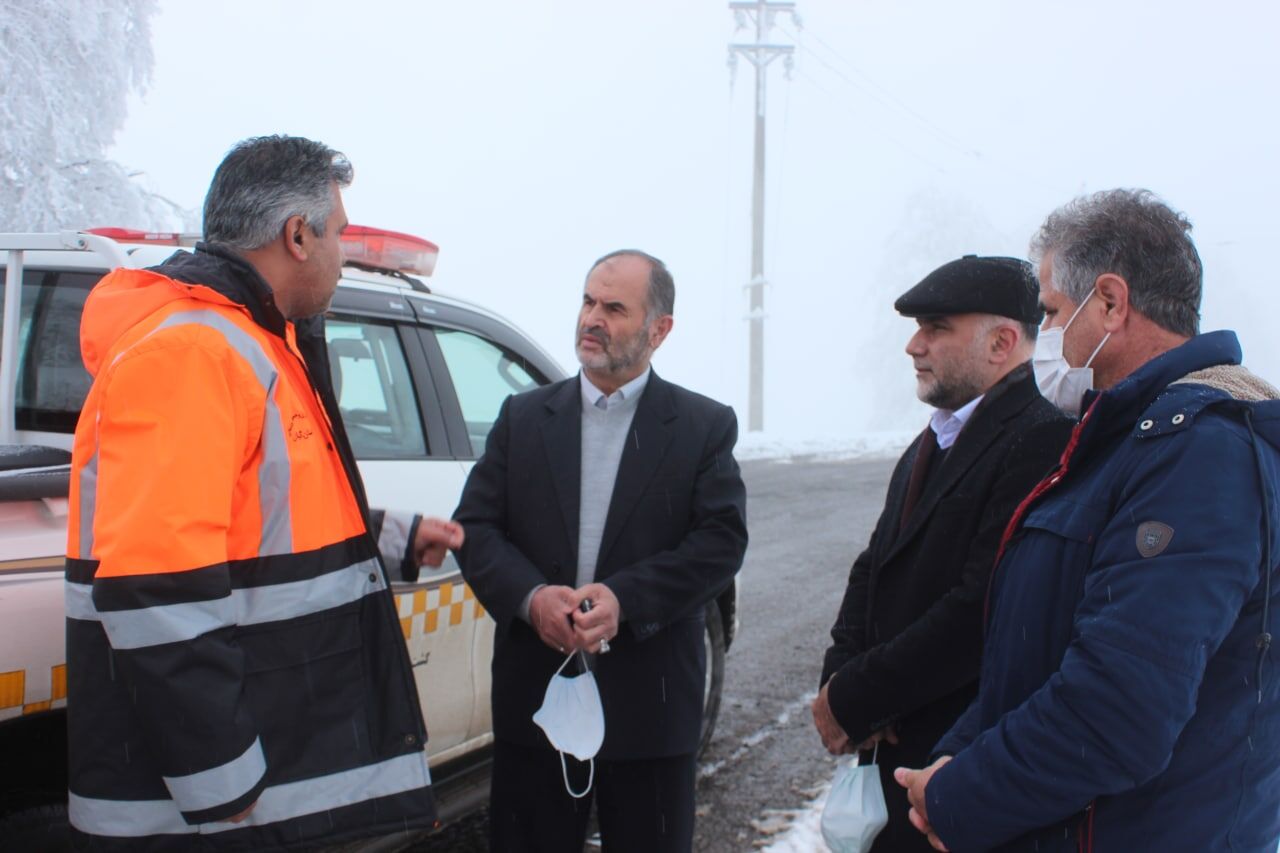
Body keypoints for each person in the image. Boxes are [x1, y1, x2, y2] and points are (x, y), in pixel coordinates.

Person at [64, 135, 464, 850]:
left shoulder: (255, 342)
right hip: (209, 816)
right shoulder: (194, 352)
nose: (343, 253)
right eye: (338, 233)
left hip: (249, 793)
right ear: (298, 236)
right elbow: (156, 591)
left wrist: (394, 538)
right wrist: (224, 786)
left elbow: (266, 510)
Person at [896, 189, 1280, 853]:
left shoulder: (1198, 455)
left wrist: (961, 797)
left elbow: (1120, 709)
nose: (1043, 334)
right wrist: (958, 753)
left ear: (1109, 302)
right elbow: (1039, 650)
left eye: (1049, 312)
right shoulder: (1123, 440)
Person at [453, 249, 748, 853]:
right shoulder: (524, 417)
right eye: (588, 301)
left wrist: (626, 600)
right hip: (537, 707)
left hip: (650, 711)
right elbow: (475, 528)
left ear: (659, 329)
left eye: (614, 308)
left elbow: (720, 542)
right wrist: (531, 599)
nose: (592, 318)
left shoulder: (701, 427)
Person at [812, 255, 1074, 851]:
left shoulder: (1041, 437)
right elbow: (874, 566)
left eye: (935, 328)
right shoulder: (934, 436)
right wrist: (840, 677)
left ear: (1001, 342)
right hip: (897, 757)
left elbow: (980, 607)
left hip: (952, 769)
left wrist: (859, 698)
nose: (914, 345)